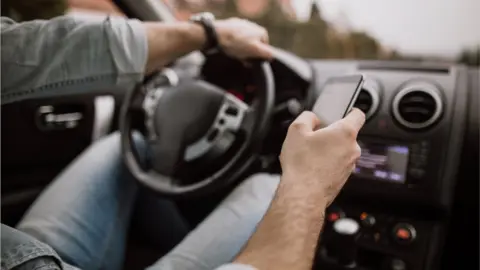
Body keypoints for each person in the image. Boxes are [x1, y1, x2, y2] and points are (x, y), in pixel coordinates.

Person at [1, 13, 365, 270]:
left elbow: (17, 51)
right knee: (267, 187)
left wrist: (206, 34)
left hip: (23, 254)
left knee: (128, 147)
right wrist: (307, 189)